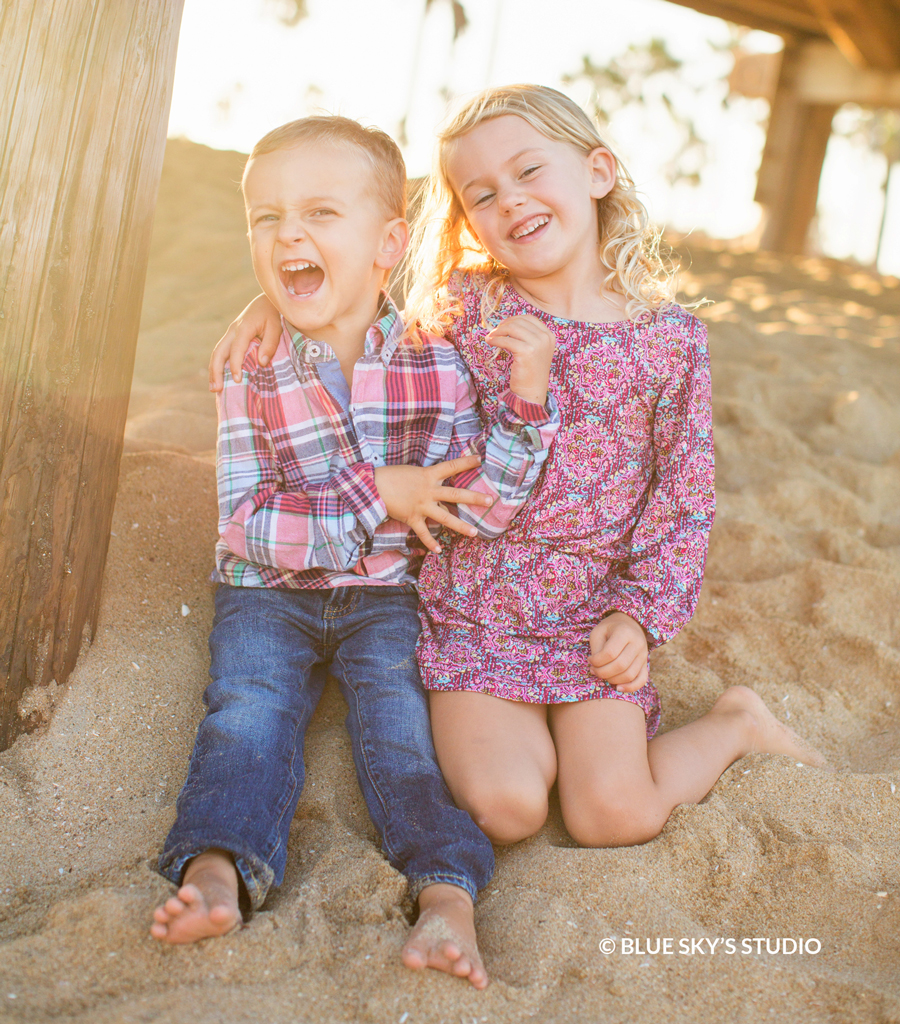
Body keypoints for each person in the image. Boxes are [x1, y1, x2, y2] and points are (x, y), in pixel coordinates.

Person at [209, 87, 823, 860]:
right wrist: (260, 307)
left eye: (531, 170)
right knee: (506, 807)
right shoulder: (466, 308)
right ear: (467, 220)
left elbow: (683, 504)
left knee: (614, 813)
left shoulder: (670, 342)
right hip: (473, 608)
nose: (513, 201)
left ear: (598, 171)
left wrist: (641, 618)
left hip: (592, 616)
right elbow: (348, 294)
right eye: (483, 194)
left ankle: (736, 722)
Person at [153, 115, 560, 991]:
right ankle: (217, 866)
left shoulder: (439, 362)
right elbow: (244, 525)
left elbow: (477, 507)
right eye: (267, 218)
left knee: (404, 732)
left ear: (387, 244)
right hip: (266, 590)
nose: (288, 234)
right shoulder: (250, 365)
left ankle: (446, 890)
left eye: (318, 214)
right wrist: (381, 492)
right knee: (246, 712)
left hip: (390, 594)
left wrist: (527, 405)